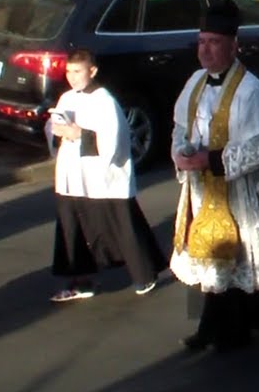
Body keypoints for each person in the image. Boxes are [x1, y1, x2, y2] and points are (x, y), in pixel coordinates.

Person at [171, 0, 259, 351]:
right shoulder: (195, 81)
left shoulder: (250, 90)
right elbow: (179, 127)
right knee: (208, 255)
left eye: (214, 42)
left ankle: (234, 329)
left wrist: (211, 161)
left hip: (237, 190)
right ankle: (211, 325)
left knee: (240, 256)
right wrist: (180, 154)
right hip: (201, 190)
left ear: (233, 45)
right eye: (201, 42)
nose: (205, 50)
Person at [45, 49, 168, 302]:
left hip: (101, 178)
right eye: (69, 71)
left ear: (93, 71)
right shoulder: (66, 98)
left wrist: (80, 134)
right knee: (73, 228)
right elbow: (56, 133)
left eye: (78, 71)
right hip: (73, 179)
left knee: (122, 225)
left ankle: (145, 274)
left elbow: (113, 140)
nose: (72, 77)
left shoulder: (105, 101)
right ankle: (82, 281)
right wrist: (55, 130)